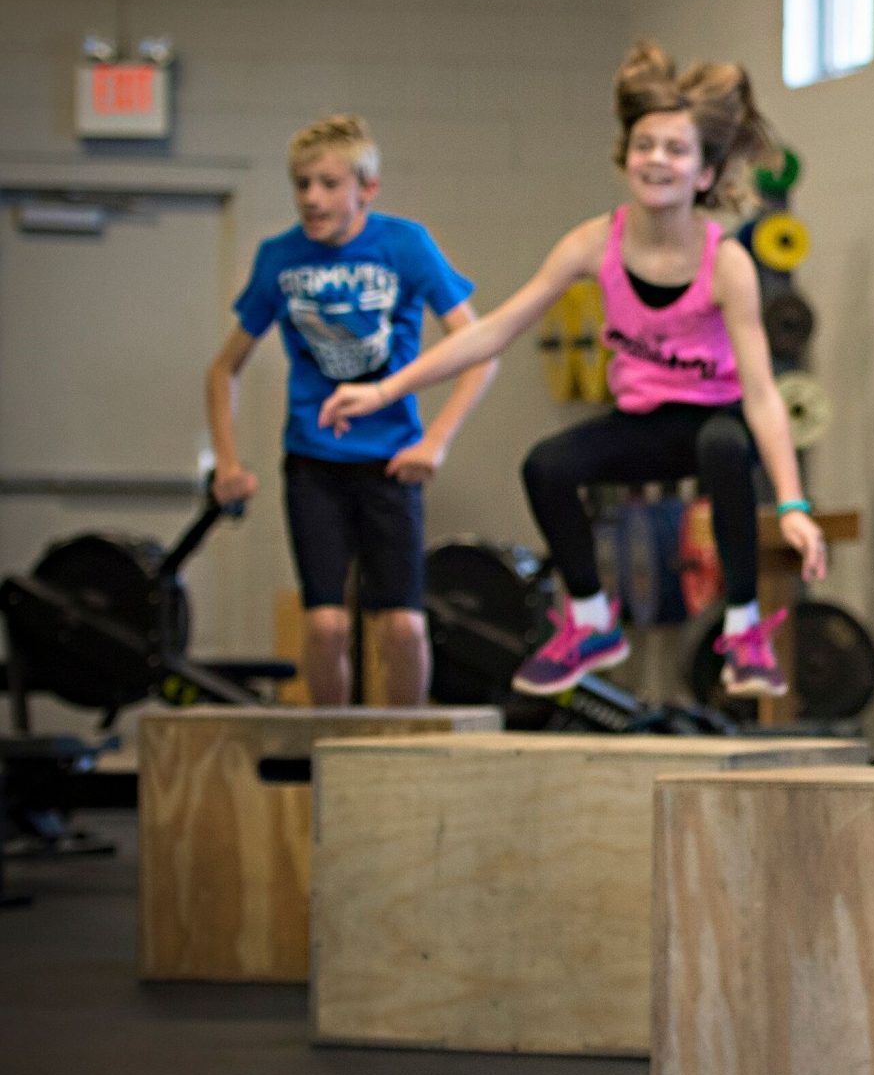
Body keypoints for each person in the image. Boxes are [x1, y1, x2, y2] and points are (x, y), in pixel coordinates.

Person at [319, 42, 824, 697]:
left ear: (703, 173)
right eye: (645, 146)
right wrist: (386, 388)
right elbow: (494, 329)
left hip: (716, 419)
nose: (657, 160)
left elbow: (761, 395)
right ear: (626, 157)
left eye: (676, 149)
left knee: (726, 447)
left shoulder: (725, 263)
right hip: (643, 424)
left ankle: (745, 630)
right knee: (548, 464)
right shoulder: (594, 243)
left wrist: (791, 504)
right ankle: (590, 622)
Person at [208, 114, 491, 706]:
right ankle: (329, 750)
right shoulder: (279, 259)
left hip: (392, 464)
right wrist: (228, 463)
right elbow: (222, 368)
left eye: (330, 183)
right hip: (314, 464)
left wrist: (434, 441)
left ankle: (407, 747)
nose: (313, 198)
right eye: (303, 184)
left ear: (367, 187)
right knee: (326, 625)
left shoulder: (404, 245)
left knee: (403, 626)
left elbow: (479, 352)